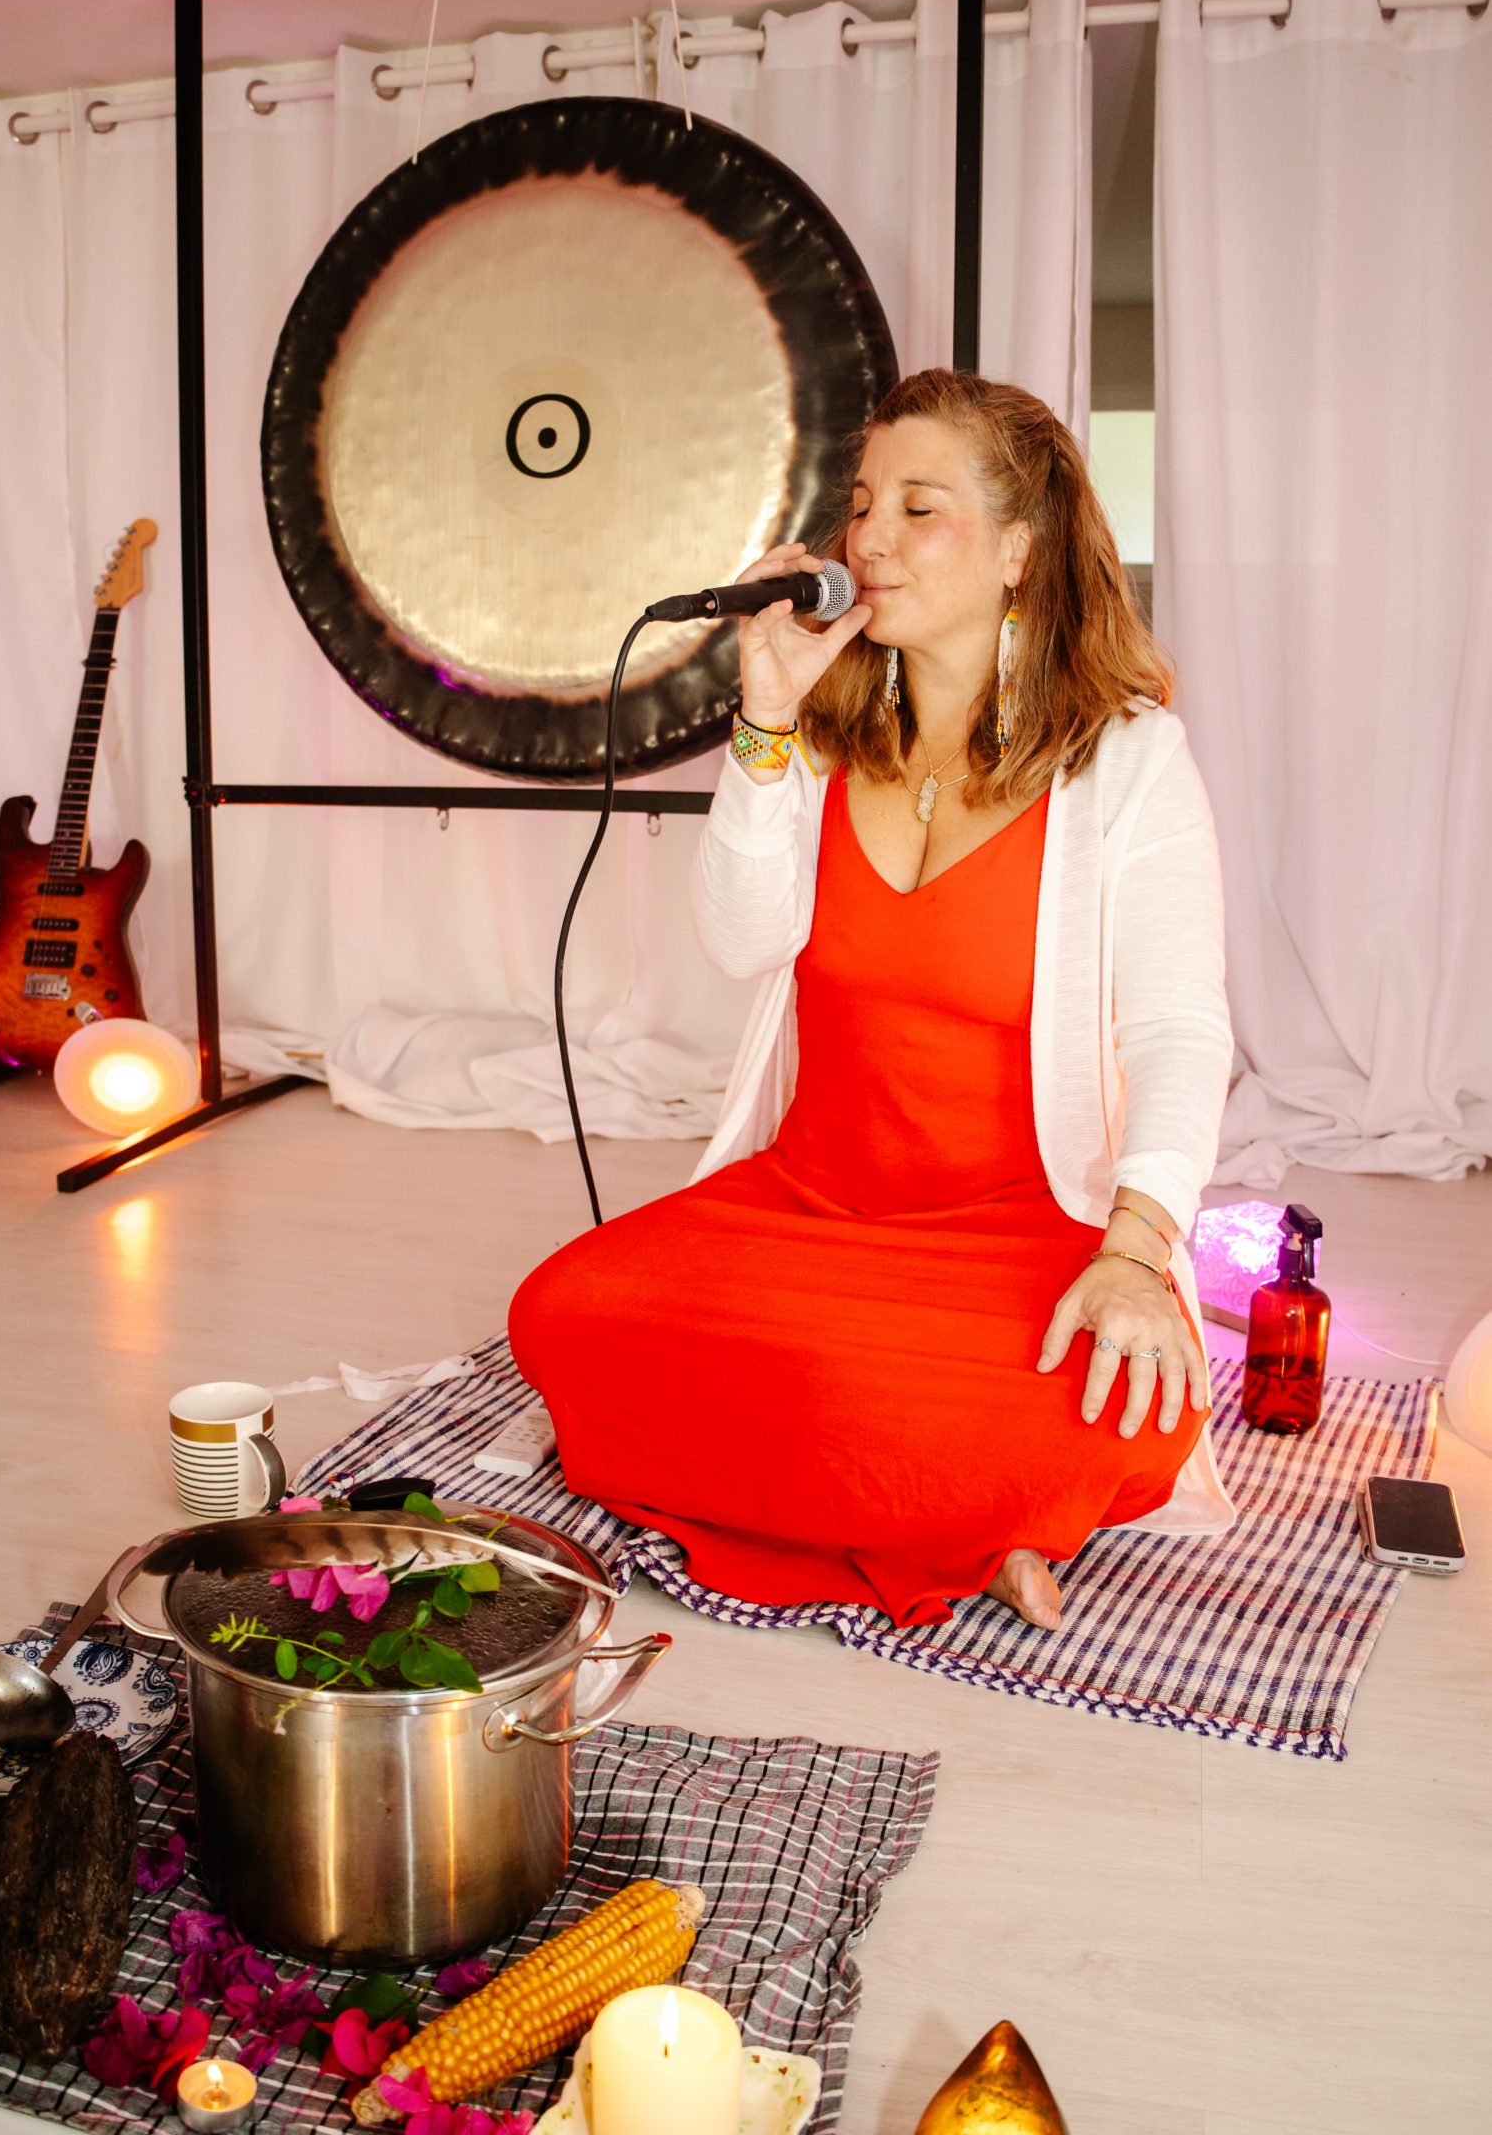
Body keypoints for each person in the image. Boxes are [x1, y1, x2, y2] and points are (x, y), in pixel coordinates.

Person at [509, 369, 1235, 1632]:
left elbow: (1178, 1029)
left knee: (1122, 1402)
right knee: (559, 1317)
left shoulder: (1128, 761)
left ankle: (886, 1486)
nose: (869, 539)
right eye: (860, 505)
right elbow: (742, 942)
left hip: (1018, 1231)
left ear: (1020, 550)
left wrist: (1133, 1253)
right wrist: (765, 714)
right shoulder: (820, 738)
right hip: (806, 1204)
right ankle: (947, 1520)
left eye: (918, 507)